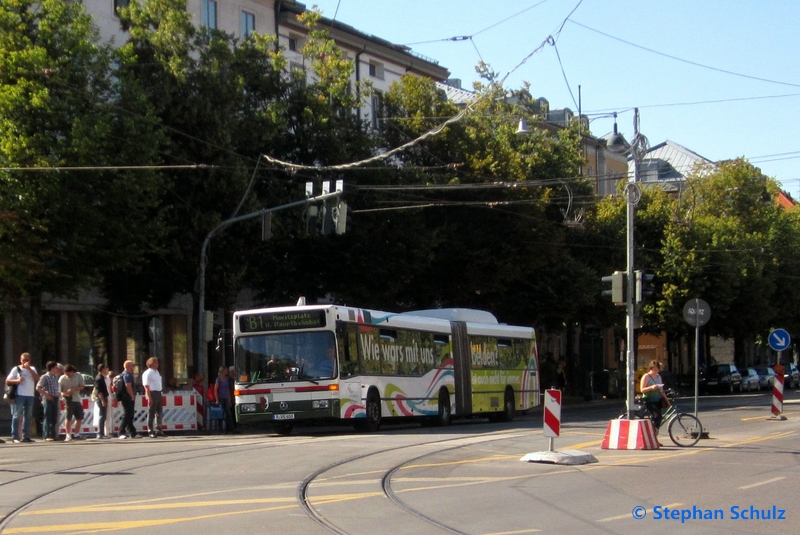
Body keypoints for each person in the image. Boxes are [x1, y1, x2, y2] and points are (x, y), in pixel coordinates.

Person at [6, 353, 40, 443]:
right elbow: (7, 381)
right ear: (20, 360)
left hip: (30, 395)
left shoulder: (32, 369)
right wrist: (17, 380)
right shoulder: (16, 369)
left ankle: (26, 436)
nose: (25, 362)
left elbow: (37, 379)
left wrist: (29, 368)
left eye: (27, 360)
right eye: (23, 360)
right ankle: (15, 436)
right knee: (17, 415)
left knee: (28, 416)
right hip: (19, 394)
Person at [640, 360, 668, 444]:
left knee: (659, 418)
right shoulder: (646, 376)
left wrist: (666, 400)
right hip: (649, 399)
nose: (656, 371)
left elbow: (661, 390)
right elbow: (642, 389)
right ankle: (652, 436)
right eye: (654, 369)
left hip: (658, 399)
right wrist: (652, 387)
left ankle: (654, 437)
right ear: (651, 368)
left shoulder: (659, 377)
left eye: (657, 369)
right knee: (657, 416)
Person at [59, 365, 85, 441]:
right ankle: (68, 434)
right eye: (66, 374)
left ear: (72, 371)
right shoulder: (62, 378)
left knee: (79, 417)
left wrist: (74, 389)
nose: (68, 375)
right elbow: (59, 390)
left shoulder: (78, 375)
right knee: (68, 417)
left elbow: (82, 386)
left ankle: (76, 434)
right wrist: (63, 394)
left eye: (69, 374)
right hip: (68, 399)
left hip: (76, 398)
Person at [36, 361, 60, 442]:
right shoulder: (45, 377)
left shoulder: (55, 377)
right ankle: (46, 435)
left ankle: (53, 435)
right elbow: (38, 387)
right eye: (56, 367)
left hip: (55, 397)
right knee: (48, 416)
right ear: (52, 368)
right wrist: (46, 395)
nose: (57, 369)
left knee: (54, 417)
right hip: (48, 398)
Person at [142, 357, 165, 438]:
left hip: (158, 392)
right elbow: (146, 386)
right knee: (151, 412)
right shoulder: (148, 373)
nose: (157, 364)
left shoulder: (157, 372)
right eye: (156, 362)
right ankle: (150, 430)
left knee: (159, 412)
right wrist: (149, 397)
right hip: (152, 392)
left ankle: (158, 429)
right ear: (151, 363)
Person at [119, 360, 139, 439]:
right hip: (127, 397)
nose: (133, 367)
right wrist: (132, 396)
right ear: (127, 366)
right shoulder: (127, 375)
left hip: (127, 397)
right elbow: (128, 386)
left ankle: (132, 432)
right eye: (132, 365)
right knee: (127, 414)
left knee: (130, 415)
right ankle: (121, 432)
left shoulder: (130, 375)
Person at [93, 364, 112, 439]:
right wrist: (103, 400)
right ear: (103, 369)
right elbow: (99, 391)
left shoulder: (103, 378)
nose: (107, 370)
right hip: (101, 398)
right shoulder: (99, 378)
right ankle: (100, 433)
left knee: (104, 415)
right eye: (106, 368)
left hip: (104, 397)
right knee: (102, 415)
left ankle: (103, 433)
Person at [214, 366, 233, 433]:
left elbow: (227, 389)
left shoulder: (227, 379)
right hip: (220, 398)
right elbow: (215, 389)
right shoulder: (218, 379)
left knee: (228, 414)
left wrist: (229, 399)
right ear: (223, 371)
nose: (227, 371)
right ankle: (220, 429)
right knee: (220, 414)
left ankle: (229, 428)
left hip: (226, 398)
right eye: (226, 370)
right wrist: (217, 399)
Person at [227, 366, 237, 432]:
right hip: (230, 399)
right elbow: (228, 390)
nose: (233, 373)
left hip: (235, 399)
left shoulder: (235, 380)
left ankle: (234, 427)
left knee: (234, 414)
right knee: (230, 414)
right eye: (232, 372)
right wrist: (229, 400)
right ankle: (230, 428)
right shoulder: (228, 380)